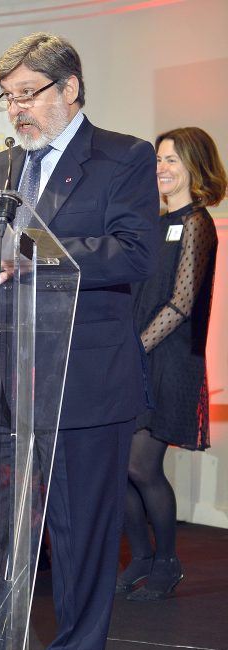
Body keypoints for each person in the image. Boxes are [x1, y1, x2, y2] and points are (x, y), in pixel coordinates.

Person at [0, 33, 160, 650]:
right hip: (8, 377)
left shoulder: (124, 157)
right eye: (7, 98)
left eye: (27, 94)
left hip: (83, 380)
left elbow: (134, 253)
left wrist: (29, 253)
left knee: (79, 537)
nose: (16, 109)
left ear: (69, 88)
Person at [118, 127, 225, 601]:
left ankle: (167, 562)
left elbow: (181, 303)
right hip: (136, 355)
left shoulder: (198, 222)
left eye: (172, 160)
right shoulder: (154, 222)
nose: (161, 168)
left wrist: (134, 349)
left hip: (169, 358)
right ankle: (140, 557)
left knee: (141, 466)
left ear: (195, 166)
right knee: (119, 467)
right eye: (158, 160)